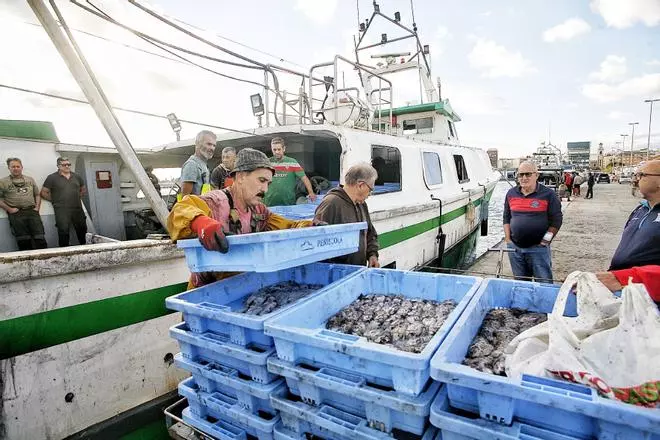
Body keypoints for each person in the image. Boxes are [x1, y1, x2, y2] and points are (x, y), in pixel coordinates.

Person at [168, 148, 316, 288]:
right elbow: (179, 211)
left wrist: (310, 226)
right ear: (240, 177)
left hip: (238, 288)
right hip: (204, 294)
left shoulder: (259, 211)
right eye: (261, 180)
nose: (265, 189)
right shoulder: (215, 202)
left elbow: (288, 227)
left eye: (268, 184)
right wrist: (201, 223)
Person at [595, 160, 660, 301]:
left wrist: (624, 278)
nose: (635, 179)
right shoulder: (640, 210)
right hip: (623, 290)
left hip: (648, 298)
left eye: (641, 175)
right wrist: (612, 275)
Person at [503, 162, 563, 283]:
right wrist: (508, 240)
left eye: (528, 174)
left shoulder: (549, 194)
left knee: (544, 283)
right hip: (515, 249)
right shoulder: (511, 194)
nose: (524, 178)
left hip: (538, 249)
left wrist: (545, 241)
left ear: (536, 175)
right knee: (520, 284)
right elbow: (506, 217)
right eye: (521, 175)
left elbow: (557, 220)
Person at [313, 162, 380, 267]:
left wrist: (372, 255)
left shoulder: (361, 204)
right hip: (339, 274)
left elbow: (370, 233)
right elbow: (319, 244)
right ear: (361, 185)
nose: (370, 194)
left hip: (358, 271)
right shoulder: (331, 203)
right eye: (370, 189)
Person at [0, 158, 47, 250]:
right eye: (13, 166)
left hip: (32, 212)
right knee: (23, 240)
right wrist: (9, 209)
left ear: (21, 167)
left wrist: (37, 208)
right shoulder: (2, 182)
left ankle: (45, 261)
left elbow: (37, 195)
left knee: (40, 237)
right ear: (9, 168)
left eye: (18, 166)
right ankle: (27, 263)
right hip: (16, 214)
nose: (15, 168)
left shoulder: (30, 179)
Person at [41, 157, 87, 247]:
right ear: (58, 166)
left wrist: (77, 197)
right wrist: (55, 200)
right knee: (63, 231)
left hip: (77, 208)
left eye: (68, 164)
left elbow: (83, 189)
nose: (67, 166)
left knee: (82, 229)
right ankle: (65, 254)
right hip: (61, 210)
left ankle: (86, 249)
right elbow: (43, 192)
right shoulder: (52, 177)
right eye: (64, 164)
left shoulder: (76, 176)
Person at [264, 137, 317, 206]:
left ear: (284, 149)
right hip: (268, 203)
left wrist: (311, 192)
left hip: (288, 203)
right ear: (271, 149)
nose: (277, 152)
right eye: (274, 150)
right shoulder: (266, 163)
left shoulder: (292, 162)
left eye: (279, 149)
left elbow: (304, 178)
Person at [180, 130, 216, 197]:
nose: (212, 148)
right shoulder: (192, 165)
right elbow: (185, 198)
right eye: (209, 144)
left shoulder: (203, 165)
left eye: (214, 145)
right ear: (197, 143)